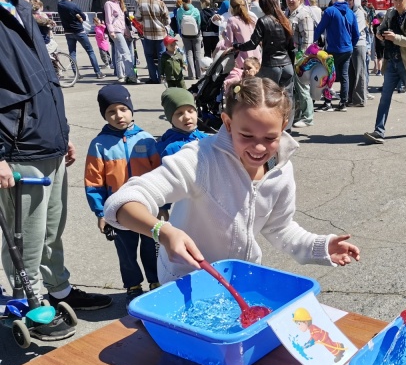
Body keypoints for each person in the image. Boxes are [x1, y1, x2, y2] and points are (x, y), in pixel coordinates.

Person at [103, 77, 360, 284]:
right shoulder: (199, 159)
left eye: (270, 137)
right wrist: (163, 231)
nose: (259, 148)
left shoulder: (282, 170)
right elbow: (122, 203)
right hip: (186, 281)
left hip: (240, 281)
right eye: (246, 135)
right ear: (227, 123)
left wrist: (321, 247)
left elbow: (279, 228)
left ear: (283, 127)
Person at [1, 0, 113, 342]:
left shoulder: (19, 7)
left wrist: (61, 133)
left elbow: (43, 79)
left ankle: (59, 289)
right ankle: (29, 301)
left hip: (46, 142)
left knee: (51, 230)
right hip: (15, 151)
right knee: (25, 237)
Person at [85, 85, 161, 300]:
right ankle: (133, 286)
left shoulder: (146, 139)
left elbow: (160, 175)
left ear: (131, 110)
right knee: (126, 251)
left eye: (123, 109)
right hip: (118, 211)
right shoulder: (99, 144)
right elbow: (93, 181)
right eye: (111, 112)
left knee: (151, 246)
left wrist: (162, 206)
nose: (118, 115)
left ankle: (155, 281)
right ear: (104, 115)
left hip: (147, 207)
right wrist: (100, 213)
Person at [363, 0, 406, 144]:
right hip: (391, 62)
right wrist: (380, 34)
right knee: (384, 97)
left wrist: (395, 38)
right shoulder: (390, 13)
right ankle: (379, 131)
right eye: (395, 0)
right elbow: (382, 29)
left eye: (400, 0)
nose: (397, 3)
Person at [233, 0, 296, 124]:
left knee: (267, 96)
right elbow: (291, 47)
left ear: (263, 5)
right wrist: (292, 64)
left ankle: (269, 124)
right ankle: (287, 126)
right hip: (287, 65)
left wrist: (238, 46)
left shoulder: (263, 21)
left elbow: (253, 43)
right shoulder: (285, 20)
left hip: (271, 65)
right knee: (288, 97)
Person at [313, 0, 359, 112]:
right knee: (344, 76)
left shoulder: (329, 11)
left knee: (328, 75)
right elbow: (356, 34)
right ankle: (343, 102)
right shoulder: (350, 12)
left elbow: (319, 30)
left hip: (332, 49)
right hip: (347, 49)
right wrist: (351, 45)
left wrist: (311, 41)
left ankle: (327, 102)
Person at [57, 0, 105, 79]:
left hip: (68, 32)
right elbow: (84, 17)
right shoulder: (74, 6)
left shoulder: (60, 4)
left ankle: (76, 74)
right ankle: (98, 72)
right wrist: (78, 16)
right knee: (90, 51)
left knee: (72, 53)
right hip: (78, 31)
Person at [285, 0, 315, 127]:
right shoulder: (287, 13)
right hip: (288, 55)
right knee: (294, 88)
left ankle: (308, 117)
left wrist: (301, 57)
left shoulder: (304, 14)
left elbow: (308, 39)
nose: (290, 0)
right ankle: (297, 114)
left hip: (300, 56)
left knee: (302, 87)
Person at [156, 87, 209, 157]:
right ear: (170, 118)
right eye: (179, 113)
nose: (187, 117)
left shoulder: (205, 138)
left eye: (190, 111)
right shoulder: (172, 149)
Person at [134, 0, 169, 84]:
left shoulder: (141, 2)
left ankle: (153, 78)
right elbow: (167, 20)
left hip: (148, 34)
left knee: (149, 56)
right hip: (160, 33)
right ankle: (162, 77)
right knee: (161, 56)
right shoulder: (160, 3)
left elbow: (137, 17)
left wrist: (144, 22)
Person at [105, 0, 138, 84]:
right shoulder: (108, 4)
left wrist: (127, 32)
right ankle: (131, 76)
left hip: (122, 30)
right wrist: (111, 31)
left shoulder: (119, 4)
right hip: (115, 31)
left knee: (125, 53)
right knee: (125, 53)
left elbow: (123, 21)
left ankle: (128, 75)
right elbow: (108, 19)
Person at [221, 0, 261, 69]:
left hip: (242, 59)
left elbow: (229, 43)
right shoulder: (252, 18)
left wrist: (224, 35)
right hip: (256, 57)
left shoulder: (232, 20)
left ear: (231, 8)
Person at [346, 0, 369, 105]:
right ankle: (351, 98)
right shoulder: (349, 12)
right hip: (350, 45)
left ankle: (360, 99)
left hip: (358, 44)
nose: (348, 1)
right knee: (351, 73)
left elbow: (357, 30)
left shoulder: (359, 12)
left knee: (359, 73)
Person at [175, 0, 202, 81]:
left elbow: (179, 23)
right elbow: (199, 22)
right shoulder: (195, 10)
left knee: (189, 54)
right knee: (197, 54)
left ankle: (191, 75)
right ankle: (199, 74)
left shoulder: (180, 11)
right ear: (190, 0)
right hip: (196, 34)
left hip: (185, 35)